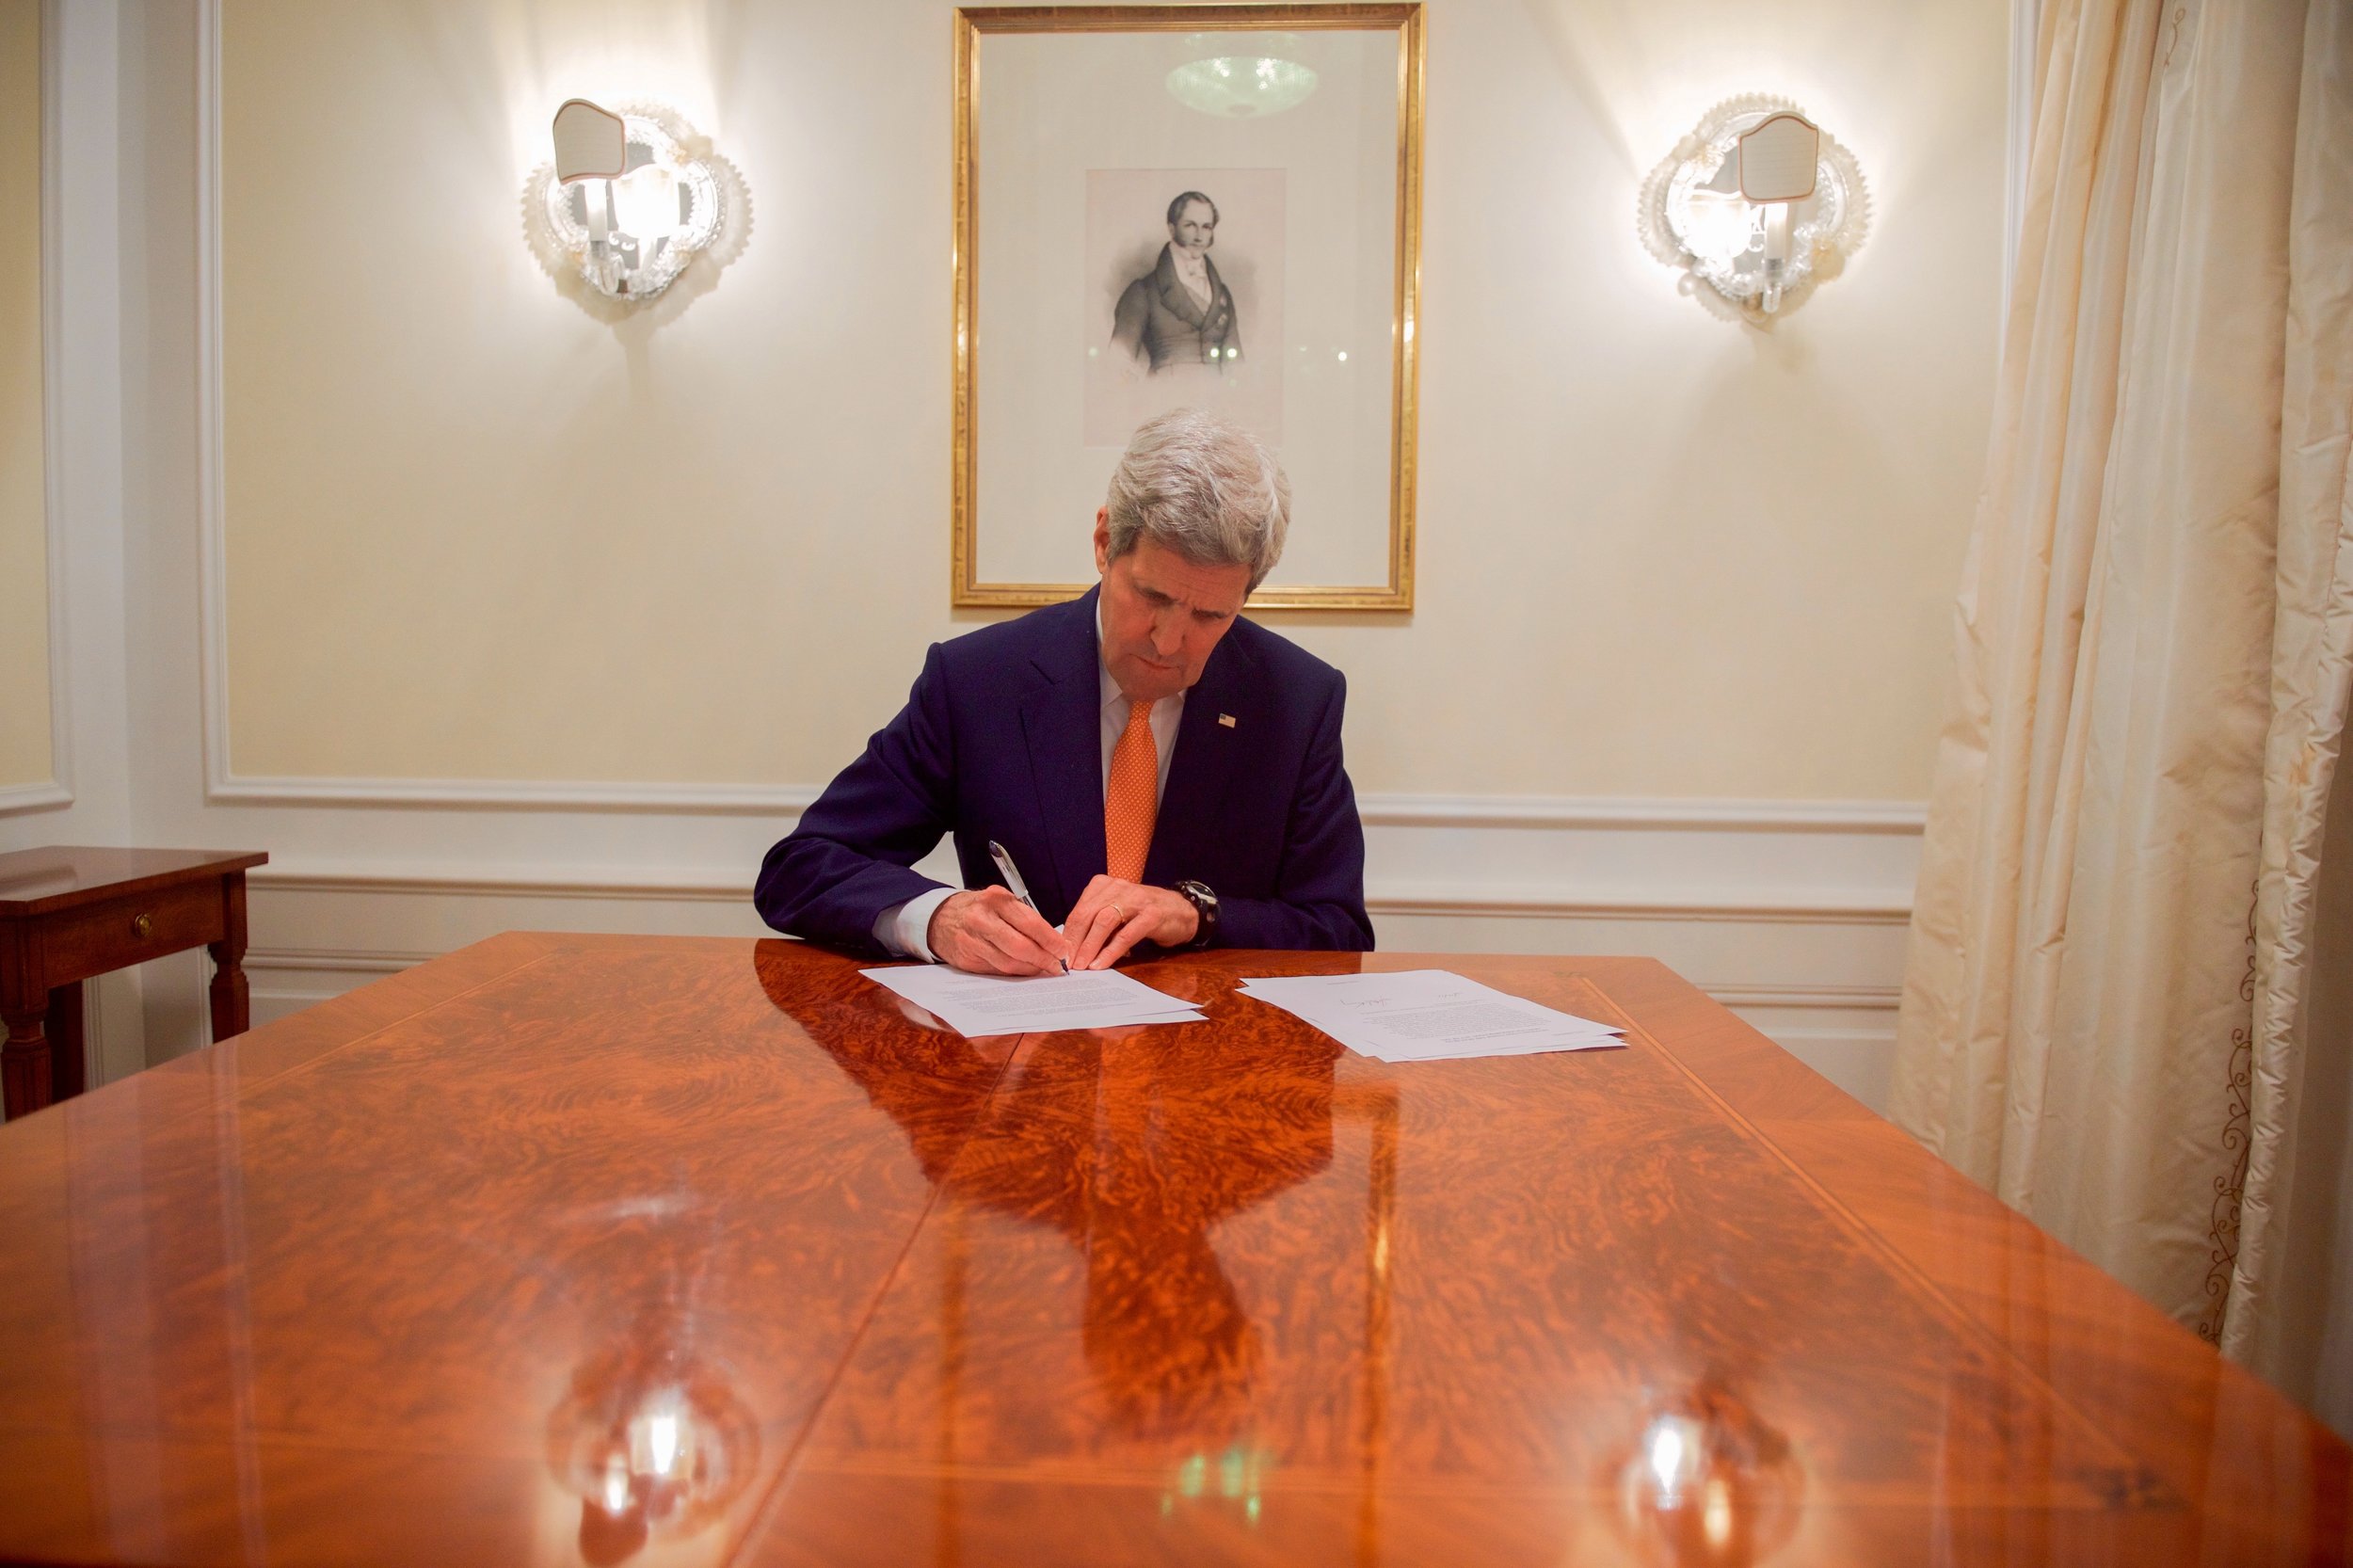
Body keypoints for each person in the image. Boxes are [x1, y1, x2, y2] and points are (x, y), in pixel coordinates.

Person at [755, 408, 1372, 974]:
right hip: (1026, 1069)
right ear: (1104, 544)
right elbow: (803, 867)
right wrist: (938, 920)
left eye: (1210, 616)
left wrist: (1198, 914)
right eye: (1152, 597)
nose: (1168, 641)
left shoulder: (1296, 700)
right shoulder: (978, 681)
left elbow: (1338, 930)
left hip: (1214, 1078)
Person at [1111, 192, 1242, 374]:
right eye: (1190, 226)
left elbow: (1236, 366)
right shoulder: (1142, 291)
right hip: (1165, 395)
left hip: (1216, 397)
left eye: (1206, 227)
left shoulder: (1223, 295)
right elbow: (1117, 365)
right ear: (1172, 228)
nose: (1199, 236)